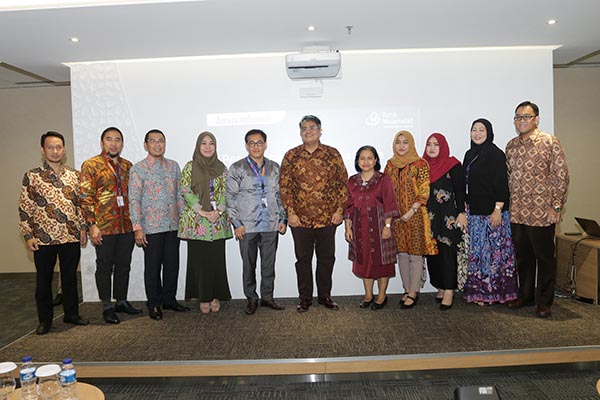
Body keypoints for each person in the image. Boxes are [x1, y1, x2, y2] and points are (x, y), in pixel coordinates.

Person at [18, 131, 89, 335]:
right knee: (44, 281)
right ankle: (45, 320)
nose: (55, 151)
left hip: (70, 235)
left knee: (69, 278)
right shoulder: (32, 176)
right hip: (43, 238)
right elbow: (25, 207)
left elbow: (80, 205)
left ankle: (71, 314)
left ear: (64, 149)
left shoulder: (75, 175)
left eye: (58, 147)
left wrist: (83, 227)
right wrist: (28, 235)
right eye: (50, 147)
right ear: (42, 150)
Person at [506, 101, 569, 318]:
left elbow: (561, 176)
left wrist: (556, 207)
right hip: (518, 212)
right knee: (523, 258)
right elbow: (509, 177)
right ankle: (525, 296)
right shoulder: (511, 146)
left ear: (537, 119)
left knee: (544, 258)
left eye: (526, 116)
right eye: (518, 117)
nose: (521, 121)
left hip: (542, 212)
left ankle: (544, 302)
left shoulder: (550, 142)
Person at [280, 115, 348, 312]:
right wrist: (291, 213)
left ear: (320, 130)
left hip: (328, 218)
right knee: (303, 261)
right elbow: (285, 187)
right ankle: (305, 298)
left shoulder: (332, 154)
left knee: (326, 259)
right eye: (304, 128)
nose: (307, 131)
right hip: (299, 220)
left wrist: (339, 210)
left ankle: (325, 296)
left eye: (312, 127)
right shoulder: (291, 155)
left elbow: (343, 184)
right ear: (300, 132)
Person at [80, 126, 142, 324]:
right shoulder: (91, 165)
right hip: (104, 226)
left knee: (124, 265)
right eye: (109, 139)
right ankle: (107, 306)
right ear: (102, 143)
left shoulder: (128, 166)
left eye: (117, 140)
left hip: (126, 225)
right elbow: (85, 198)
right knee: (104, 266)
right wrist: (91, 225)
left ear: (122, 143)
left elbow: (134, 196)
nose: (113, 143)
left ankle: (121, 301)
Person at [226, 129, 287, 315]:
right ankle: (251, 298)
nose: (256, 146)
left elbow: (280, 195)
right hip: (247, 226)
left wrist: (283, 218)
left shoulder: (275, 167)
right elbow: (230, 197)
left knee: (269, 265)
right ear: (246, 146)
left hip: (270, 223)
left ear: (265, 144)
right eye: (251, 143)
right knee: (249, 265)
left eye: (259, 142)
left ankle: (267, 297)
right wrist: (237, 223)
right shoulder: (237, 168)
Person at [129, 129, 188, 321]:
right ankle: (154, 303)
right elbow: (134, 200)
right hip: (151, 227)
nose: (157, 144)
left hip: (172, 225)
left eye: (161, 140)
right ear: (146, 145)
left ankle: (169, 300)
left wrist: (184, 221)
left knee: (172, 266)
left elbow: (179, 195)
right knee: (153, 268)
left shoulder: (173, 166)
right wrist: (137, 227)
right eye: (153, 141)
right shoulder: (138, 169)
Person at [461, 119, 517, 306]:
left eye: (481, 130)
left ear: (489, 133)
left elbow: (502, 184)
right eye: (474, 130)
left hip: (492, 213)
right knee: (479, 254)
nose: (477, 133)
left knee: (493, 255)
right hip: (475, 213)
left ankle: (493, 293)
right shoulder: (470, 154)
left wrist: (498, 210)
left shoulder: (495, 154)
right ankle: (480, 292)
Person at [178, 131, 233, 314]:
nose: (208, 147)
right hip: (196, 222)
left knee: (216, 261)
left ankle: (215, 295)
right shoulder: (190, 166)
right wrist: (200, 210)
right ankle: (203, 297)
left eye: (211, 143)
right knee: (199, 262)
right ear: (198, 146)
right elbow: (185, 190)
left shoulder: (222, 168)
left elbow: (227, 192)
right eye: (204, 143)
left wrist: (218, 211)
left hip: (217, 221)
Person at [385, 130, 437, 309]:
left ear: (411, 144)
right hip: (397, 218)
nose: (401, 146)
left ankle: (414, 292)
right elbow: (386, 191)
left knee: (415, 255)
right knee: (402, 254)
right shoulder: (390, 165)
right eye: (398, 142)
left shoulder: (420, 164)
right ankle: (406, 289)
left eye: (405, 142)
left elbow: (424, 190)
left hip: (415, 216)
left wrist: (411, 210)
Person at [344, 146, 399, 310]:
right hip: (359, 228)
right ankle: (368, 294)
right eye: (362, 158)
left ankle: (382, 295)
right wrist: (348, 228)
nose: (366, 162)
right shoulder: (352, 181)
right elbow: (348, 206)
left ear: (375, 160)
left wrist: (387, 226)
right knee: (364, 262)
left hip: (379, 226)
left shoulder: (383, 179)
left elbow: (390, 203)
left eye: (369, 158)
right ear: (357, 161)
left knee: (382, 262)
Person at [422, 133, 466, 311]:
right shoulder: (423, 166)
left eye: (436, 144)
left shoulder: (453, 165)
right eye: (429, 144)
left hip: (449, 217)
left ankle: (449, 291)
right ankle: (440, 286)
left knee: (447, 253)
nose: (432, 148)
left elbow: (460, 191)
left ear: (443, 146)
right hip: (430, 216)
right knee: (433, 254)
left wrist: (462, 212)